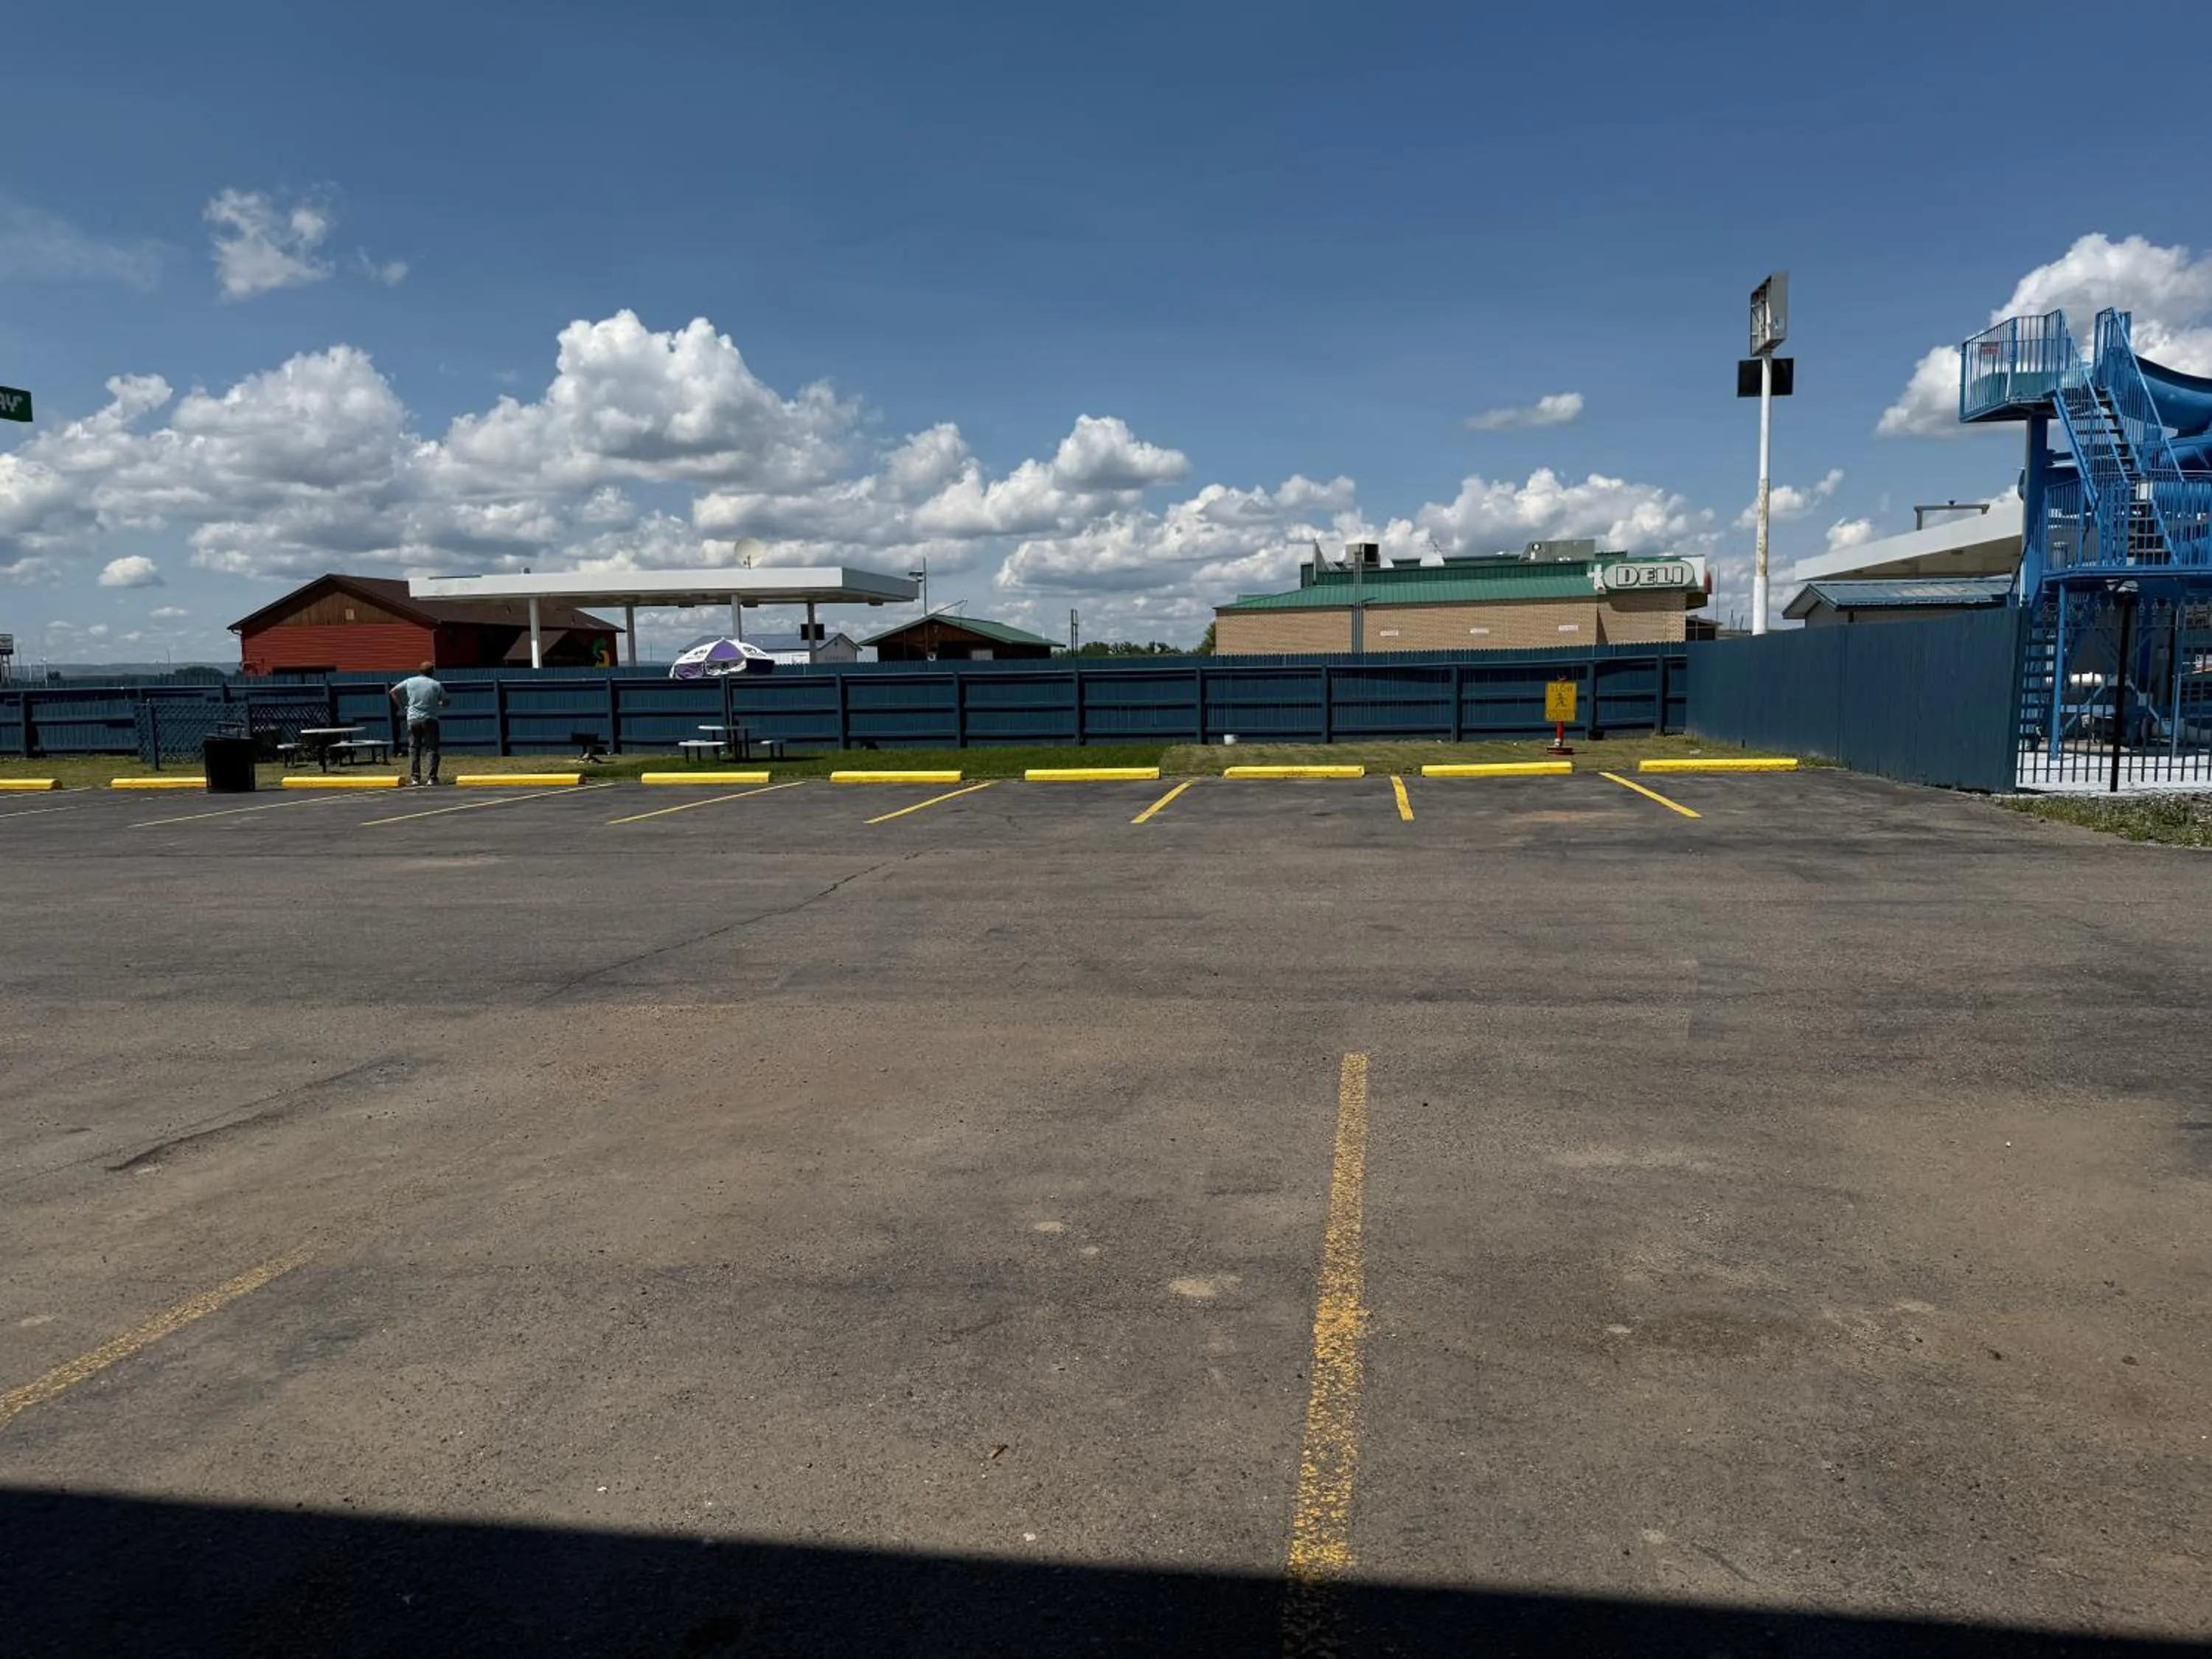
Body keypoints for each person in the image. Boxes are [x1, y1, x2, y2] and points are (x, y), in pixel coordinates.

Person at [388, 662, 449, 786]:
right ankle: (432, 778)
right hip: (430, 718)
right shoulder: (435, 684)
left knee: (414, 748)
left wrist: (402, 706)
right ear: (432, 672)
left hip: (413, 719)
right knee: (432, 748)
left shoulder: (410, 681)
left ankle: (415, 778)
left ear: (420, 671)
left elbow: (393, 691)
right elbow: (446, 700)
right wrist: (440, 705)